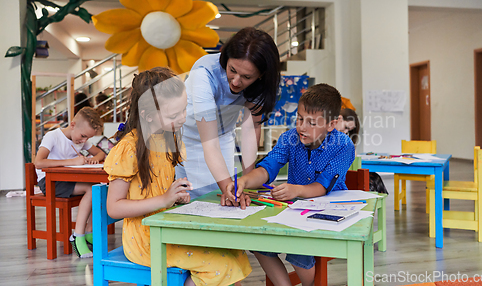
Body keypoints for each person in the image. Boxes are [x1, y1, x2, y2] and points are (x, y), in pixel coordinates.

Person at [104, 67, 251, 286]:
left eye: (184, 110)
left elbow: (158, 188)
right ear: (147, 115)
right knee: (221, 265)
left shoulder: (166, 139)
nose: (183, 119)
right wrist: (164, 200)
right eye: (174, 115)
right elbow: (113, 208)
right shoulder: (129, 148)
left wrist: (175, 196)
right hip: (146, 240)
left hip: (165, 228)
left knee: (234, 251)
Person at [223, 83, 355, 286]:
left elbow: (322, 187)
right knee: (258, 242)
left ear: (331, 124)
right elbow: (267, 168)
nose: (302, 127)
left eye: (311, 122)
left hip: (329, 213)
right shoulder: (289, 138)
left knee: (298, 247)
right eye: (300, 118)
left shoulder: (343, 145)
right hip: (295, 212)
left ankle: (310, 284)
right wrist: (243, 181)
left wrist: (296, 190)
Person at [176, 27, 281, 199]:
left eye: (247, 77)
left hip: (223, 135)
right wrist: (229, 190)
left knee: (222, 197)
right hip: (187, 137)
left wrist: (248, 181)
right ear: (226, 58)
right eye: (232, 70)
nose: (236, 81)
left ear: (261, 75)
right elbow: (209, 143)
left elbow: (250, 128)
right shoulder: (204, 73)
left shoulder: (263, 84)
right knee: (192, 198)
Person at [34, 106, 106, 258]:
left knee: (100, 188)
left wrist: (94, 159)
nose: (84, 140)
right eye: (83, 136)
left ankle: (89, 231)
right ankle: (77, 236)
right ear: (72, 125)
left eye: (88, 138)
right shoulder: (53, 136)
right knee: (92, 189)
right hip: (50, 182)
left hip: (67, 180)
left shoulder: (80, 139)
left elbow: (100, 153)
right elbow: (38, 162)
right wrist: (72, 161)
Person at [335, 108, 389, 194]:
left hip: (344, 178)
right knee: (375, 179)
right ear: (339, 118)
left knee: (375, 177)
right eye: (345, 127)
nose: (345, 132)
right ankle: (374, 204)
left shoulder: (342, 139)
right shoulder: (334, 139)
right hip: (342, 180)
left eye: (348, 131)